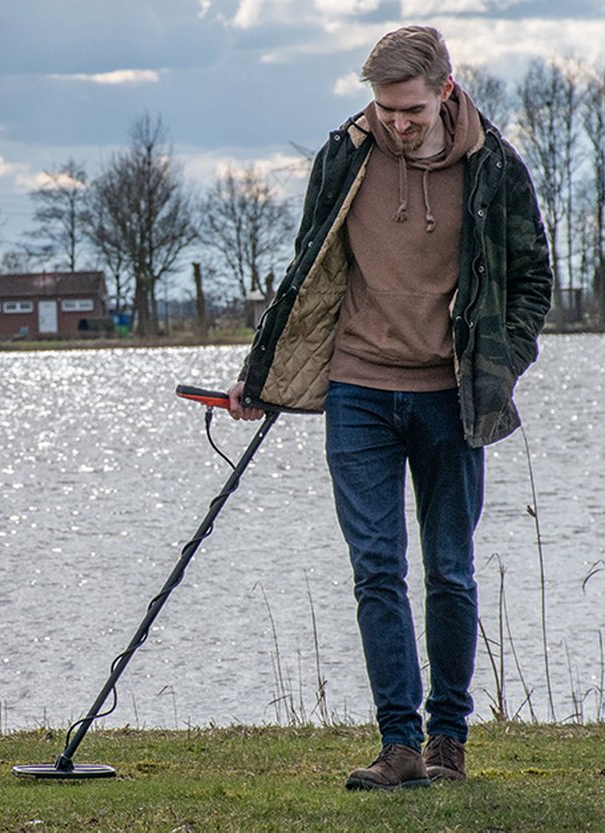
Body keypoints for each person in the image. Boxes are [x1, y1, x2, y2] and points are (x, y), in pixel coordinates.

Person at [227, 25, 553, 790]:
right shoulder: (344, 156)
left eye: (411, 109)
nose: (396, 123)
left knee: (450, 571)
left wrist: (499, 367)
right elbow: (306, 271)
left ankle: (447, 742)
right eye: (385, 108)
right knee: (376, 567)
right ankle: (399, 745)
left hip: (451, 398)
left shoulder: (495, 168)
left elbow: (533, 281)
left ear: (445, 92)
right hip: (359, 393)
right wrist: (259, 372)